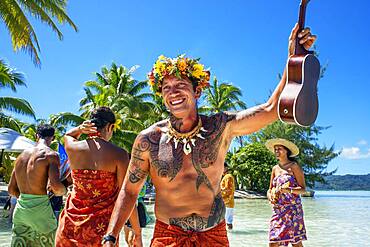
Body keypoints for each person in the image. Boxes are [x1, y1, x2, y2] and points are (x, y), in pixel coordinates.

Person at [103, 24, 316, 247]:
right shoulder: (149, 140)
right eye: (166, 87)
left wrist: (293, 58)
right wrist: (111, 235)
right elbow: (129, 191)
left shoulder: (220, 128)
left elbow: (271, 109)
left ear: (197, 92)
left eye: (181, 85)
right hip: (168, 237)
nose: (173, 92)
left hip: (214, 235)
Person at [55, 106, 142, 247]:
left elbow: (68, 136)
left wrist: (80, 129)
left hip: (70, 225)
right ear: (110, 127)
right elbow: (126, 194)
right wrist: (136, 231)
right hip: (100, 230)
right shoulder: (119, 154)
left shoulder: (73, 148)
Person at [8, 124, 67, 247]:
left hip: (20, 210)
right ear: (52, 138)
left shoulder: (20, 157)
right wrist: (64, 190)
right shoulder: (51, 155)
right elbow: (56, 188)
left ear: (36, 135)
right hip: (41, 211)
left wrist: (27, 199)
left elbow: (11, 190)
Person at [266, 138, 307, 247]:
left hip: (293, 210)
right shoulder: (275, 169)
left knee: (296, 242)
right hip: (278, 210)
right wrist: (270, 195)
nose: (276, 151)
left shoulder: (294, 166)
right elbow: (270, 189)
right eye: (275, 149)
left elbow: (303, 189)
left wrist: (288, 190)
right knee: (273, 241)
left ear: (287, 151)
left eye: (279, 149)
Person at [220, 163, 235, 230]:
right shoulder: (227, 177)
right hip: (226, 202)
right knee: (226, 221)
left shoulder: (228, 176)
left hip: (227, 202)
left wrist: (217, 190)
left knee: (228, 222)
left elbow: (228, 189)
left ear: (225, 168)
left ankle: (230, 236)